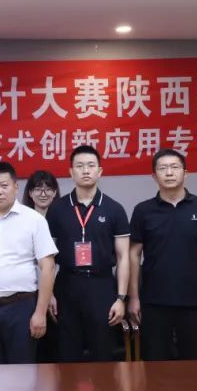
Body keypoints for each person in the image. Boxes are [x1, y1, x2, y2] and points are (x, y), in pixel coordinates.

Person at [128, 148, 197, 361]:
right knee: (155, 365)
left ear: (186, 173)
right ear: (154, 176)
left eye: (175, 167)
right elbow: (133, 256)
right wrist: (133, 297)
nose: (169, 173)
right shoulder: (143, 211)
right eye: (163, 168)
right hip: (153, 302)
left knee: (196, 366)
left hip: (194, 302)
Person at [45, 145, 130, 362]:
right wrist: (49, 294)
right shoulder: (57, 209)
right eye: (80, 166)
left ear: (99, 171)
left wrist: (121, 298)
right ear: (71, 172)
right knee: (67, 351)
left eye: (91, 166)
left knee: (103, 351)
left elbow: (123, 258)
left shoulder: (114, 209)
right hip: (67, 285)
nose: (85, 171)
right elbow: (48, 259)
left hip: (101, 285)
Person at [0, 161, 57, 364]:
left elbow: (48, 267)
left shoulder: (34, 220)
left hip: (21, 307)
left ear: (16, 187)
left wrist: (40, 312)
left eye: (4, 185)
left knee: (22, 370)